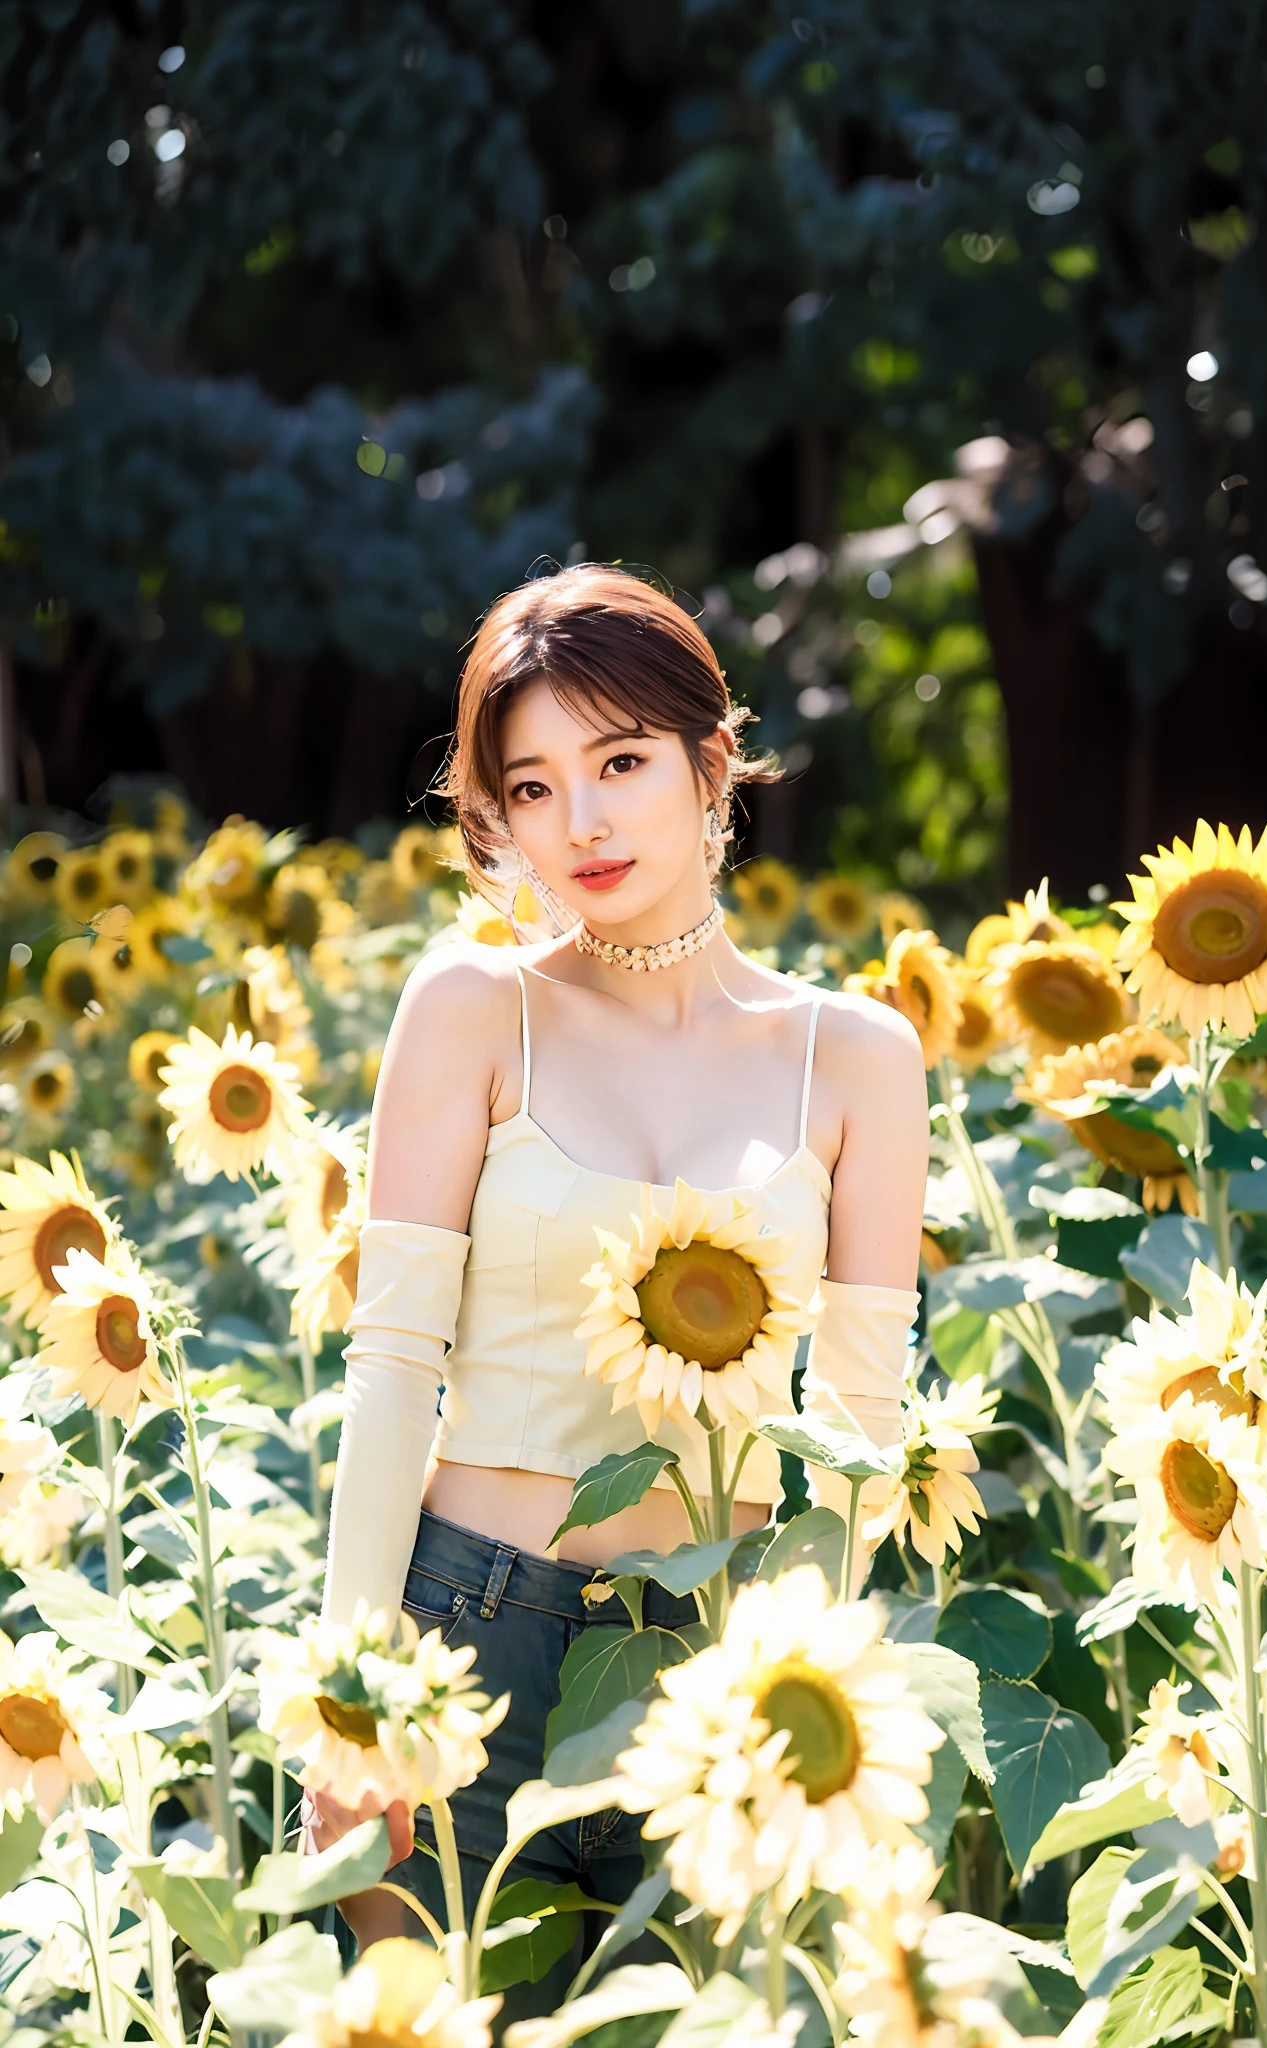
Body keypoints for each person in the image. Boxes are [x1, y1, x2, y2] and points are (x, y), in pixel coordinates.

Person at [303, 563, 928, 2015]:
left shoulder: (860, 1057)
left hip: (725, 1664)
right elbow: (392, 1366)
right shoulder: (473, 1011)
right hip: (465, 1645)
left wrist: (811, 1710)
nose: (579, 822)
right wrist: (351, 1711)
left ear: (714, 765)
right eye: (530, 786)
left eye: (622, 763)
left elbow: (859, 1426)